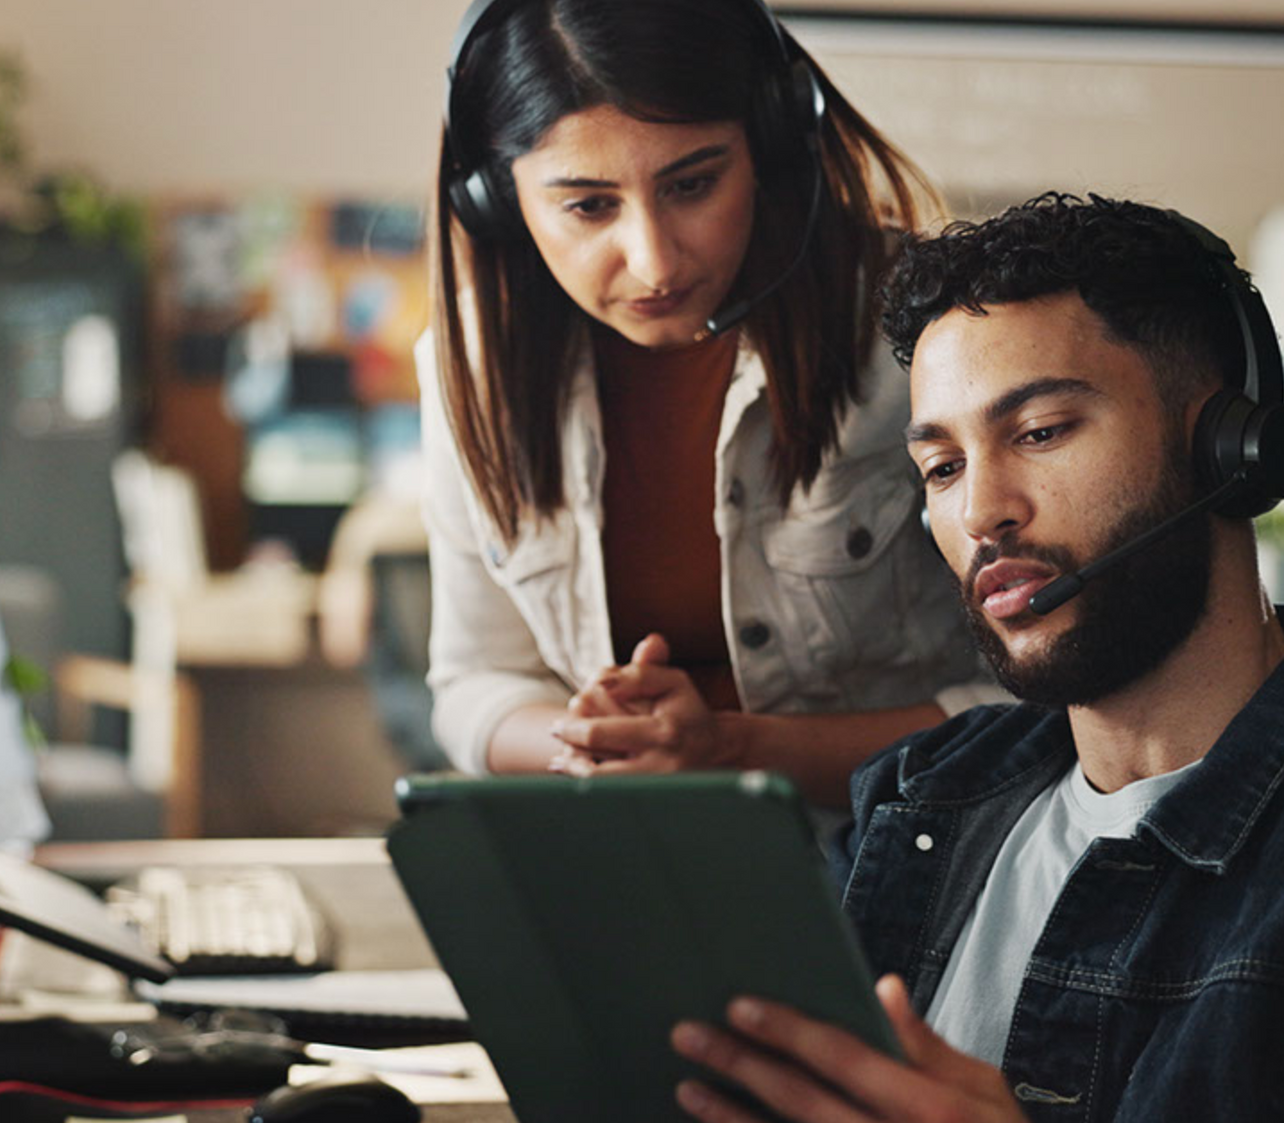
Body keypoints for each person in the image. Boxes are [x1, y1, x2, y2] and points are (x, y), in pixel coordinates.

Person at [670, 193, 1284, 1121]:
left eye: (1038, 433)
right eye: (943, 466)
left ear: (1229, 449)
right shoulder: (924, 792)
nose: (979, 512)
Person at [423, 0, 999, 801]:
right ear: (492, 195)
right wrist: (602, 745)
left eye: (693, 184)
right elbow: (473, 682)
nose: (654, 262)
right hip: (633, 874)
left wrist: (735, 751)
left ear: (766, 143)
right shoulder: (475, 365)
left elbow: (1035, 704)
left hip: (902, 868)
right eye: (589, 205)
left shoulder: (921, 333)